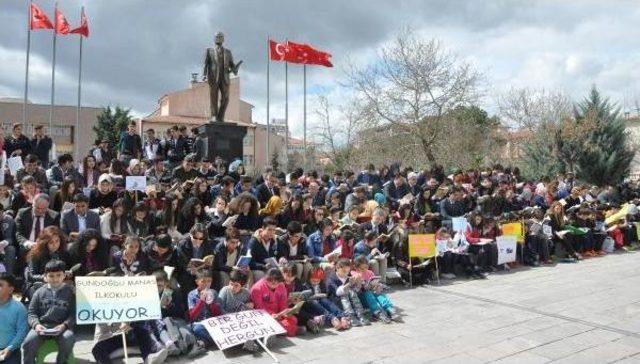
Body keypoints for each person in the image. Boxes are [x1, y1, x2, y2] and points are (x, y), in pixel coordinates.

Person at [22, 260, 76, 364]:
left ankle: (62, 361)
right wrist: (36, 325)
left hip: (62, 328)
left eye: (58, 275)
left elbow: (73, 314)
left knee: (68, 339)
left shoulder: (70, 293)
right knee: (28, 342)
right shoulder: (39, 292)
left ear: (64, 275)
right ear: (45, 277)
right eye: (51, 276)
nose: (55, 279)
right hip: (42, 326)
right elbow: (31, 313)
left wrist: (64, 325)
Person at [216, 270, 261, 352]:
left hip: (240, 320)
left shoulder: (246, 293)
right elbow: (219, 308)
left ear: (242, 285)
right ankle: (244, 343)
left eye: (236, 285)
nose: (232, 287)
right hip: (226, 319)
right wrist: (230, 317)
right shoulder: (225, 291)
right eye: (231, 284)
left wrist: (250, 305)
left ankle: (250, 342)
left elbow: (249, 308)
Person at [24, 226, 70, 300]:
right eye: (51, 242)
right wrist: (46, 278)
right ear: (44, 243)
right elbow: (31, 276)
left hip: (58, 283)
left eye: (57, 241)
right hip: (39, 284)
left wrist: (67, 274)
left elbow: (66, 270)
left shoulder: (64, 253)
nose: (55, 244)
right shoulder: (35, 254)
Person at [250, 268, 298, 337]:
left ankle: (281, 330)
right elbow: (259, 307)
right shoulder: (257, 288)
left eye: (277, 281)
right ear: (266, 279)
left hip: (279, 314)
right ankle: (291, 330)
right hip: (265, 315)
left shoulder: (281, 285)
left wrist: (284, 312)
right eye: (270, 280)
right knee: (271, 323)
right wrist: (272, 315)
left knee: (293, 319)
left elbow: (283, 302)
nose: (274, 283)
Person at [351, 255, 399, 323]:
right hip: (362, 299)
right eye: (362, 268)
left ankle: (389, 308)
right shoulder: (354, 274)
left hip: (372, 295)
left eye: (366, 267)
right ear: (356, 268)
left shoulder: (370, 272)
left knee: (378, 293)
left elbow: (374, 284)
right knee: (367, 292)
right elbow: (356, 291)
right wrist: (361, 283)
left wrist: (377, 286)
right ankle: (377, 312)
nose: (364, 270)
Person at [326, 259, 369, 326]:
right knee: (345, 293)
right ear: (337, 268)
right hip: (337, 302)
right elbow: (337, 292)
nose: (346, 273)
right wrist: (349, 284)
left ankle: (360, 314)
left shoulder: (348, 277)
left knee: (352, 292)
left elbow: (356, 290)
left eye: (347, 271)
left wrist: (359, 282)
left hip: (350, 302)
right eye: (344, 271)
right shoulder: (331, 278)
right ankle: (350, 317)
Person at [187, 271, 221, 347]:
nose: (206, 284)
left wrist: (211, 303)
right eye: (203, 281)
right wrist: (201, 301)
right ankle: (216, 341)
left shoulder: (214, 292)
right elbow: (192, 316)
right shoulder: (192, 294)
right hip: (199, 323)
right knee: (197, 329)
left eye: (209, 281)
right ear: (197, 282)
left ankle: (206, 342)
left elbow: (218, 314)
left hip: (212, 323)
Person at [0, 273, 28, 364]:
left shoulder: (19, 308)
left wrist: (10, 348)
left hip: (11, 351)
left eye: (0, 285)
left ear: (11, 289)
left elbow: (22, 332)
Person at [244, 217, 279, 282]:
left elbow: (279, 255)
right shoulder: (254, 241)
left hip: (271, 268)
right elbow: (250, 262)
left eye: (274, 230)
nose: (272, 232)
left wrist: (282, 259)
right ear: (263, 228)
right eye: (269, 230)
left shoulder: (275, 240)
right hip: (257, 269)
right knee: (261, 274)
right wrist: (263, 266)